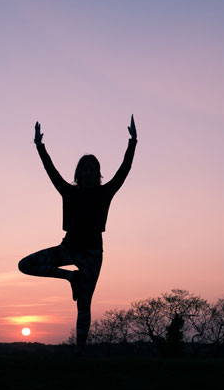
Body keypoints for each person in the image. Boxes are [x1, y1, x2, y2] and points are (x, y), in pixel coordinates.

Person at [18, 116, 138, 348]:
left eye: (93, 170)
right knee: (25, 265)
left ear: (98, 173)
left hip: (92, 254)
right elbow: (50, 170)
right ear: (79, 173)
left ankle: (80, 353)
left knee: (84, 304)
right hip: (69, 249)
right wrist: (39, 146)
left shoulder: (106, 192)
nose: (89, 173)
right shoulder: (68, 192)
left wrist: (133, 141)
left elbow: (125, 169)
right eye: (85, 169)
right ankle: (71, 277)